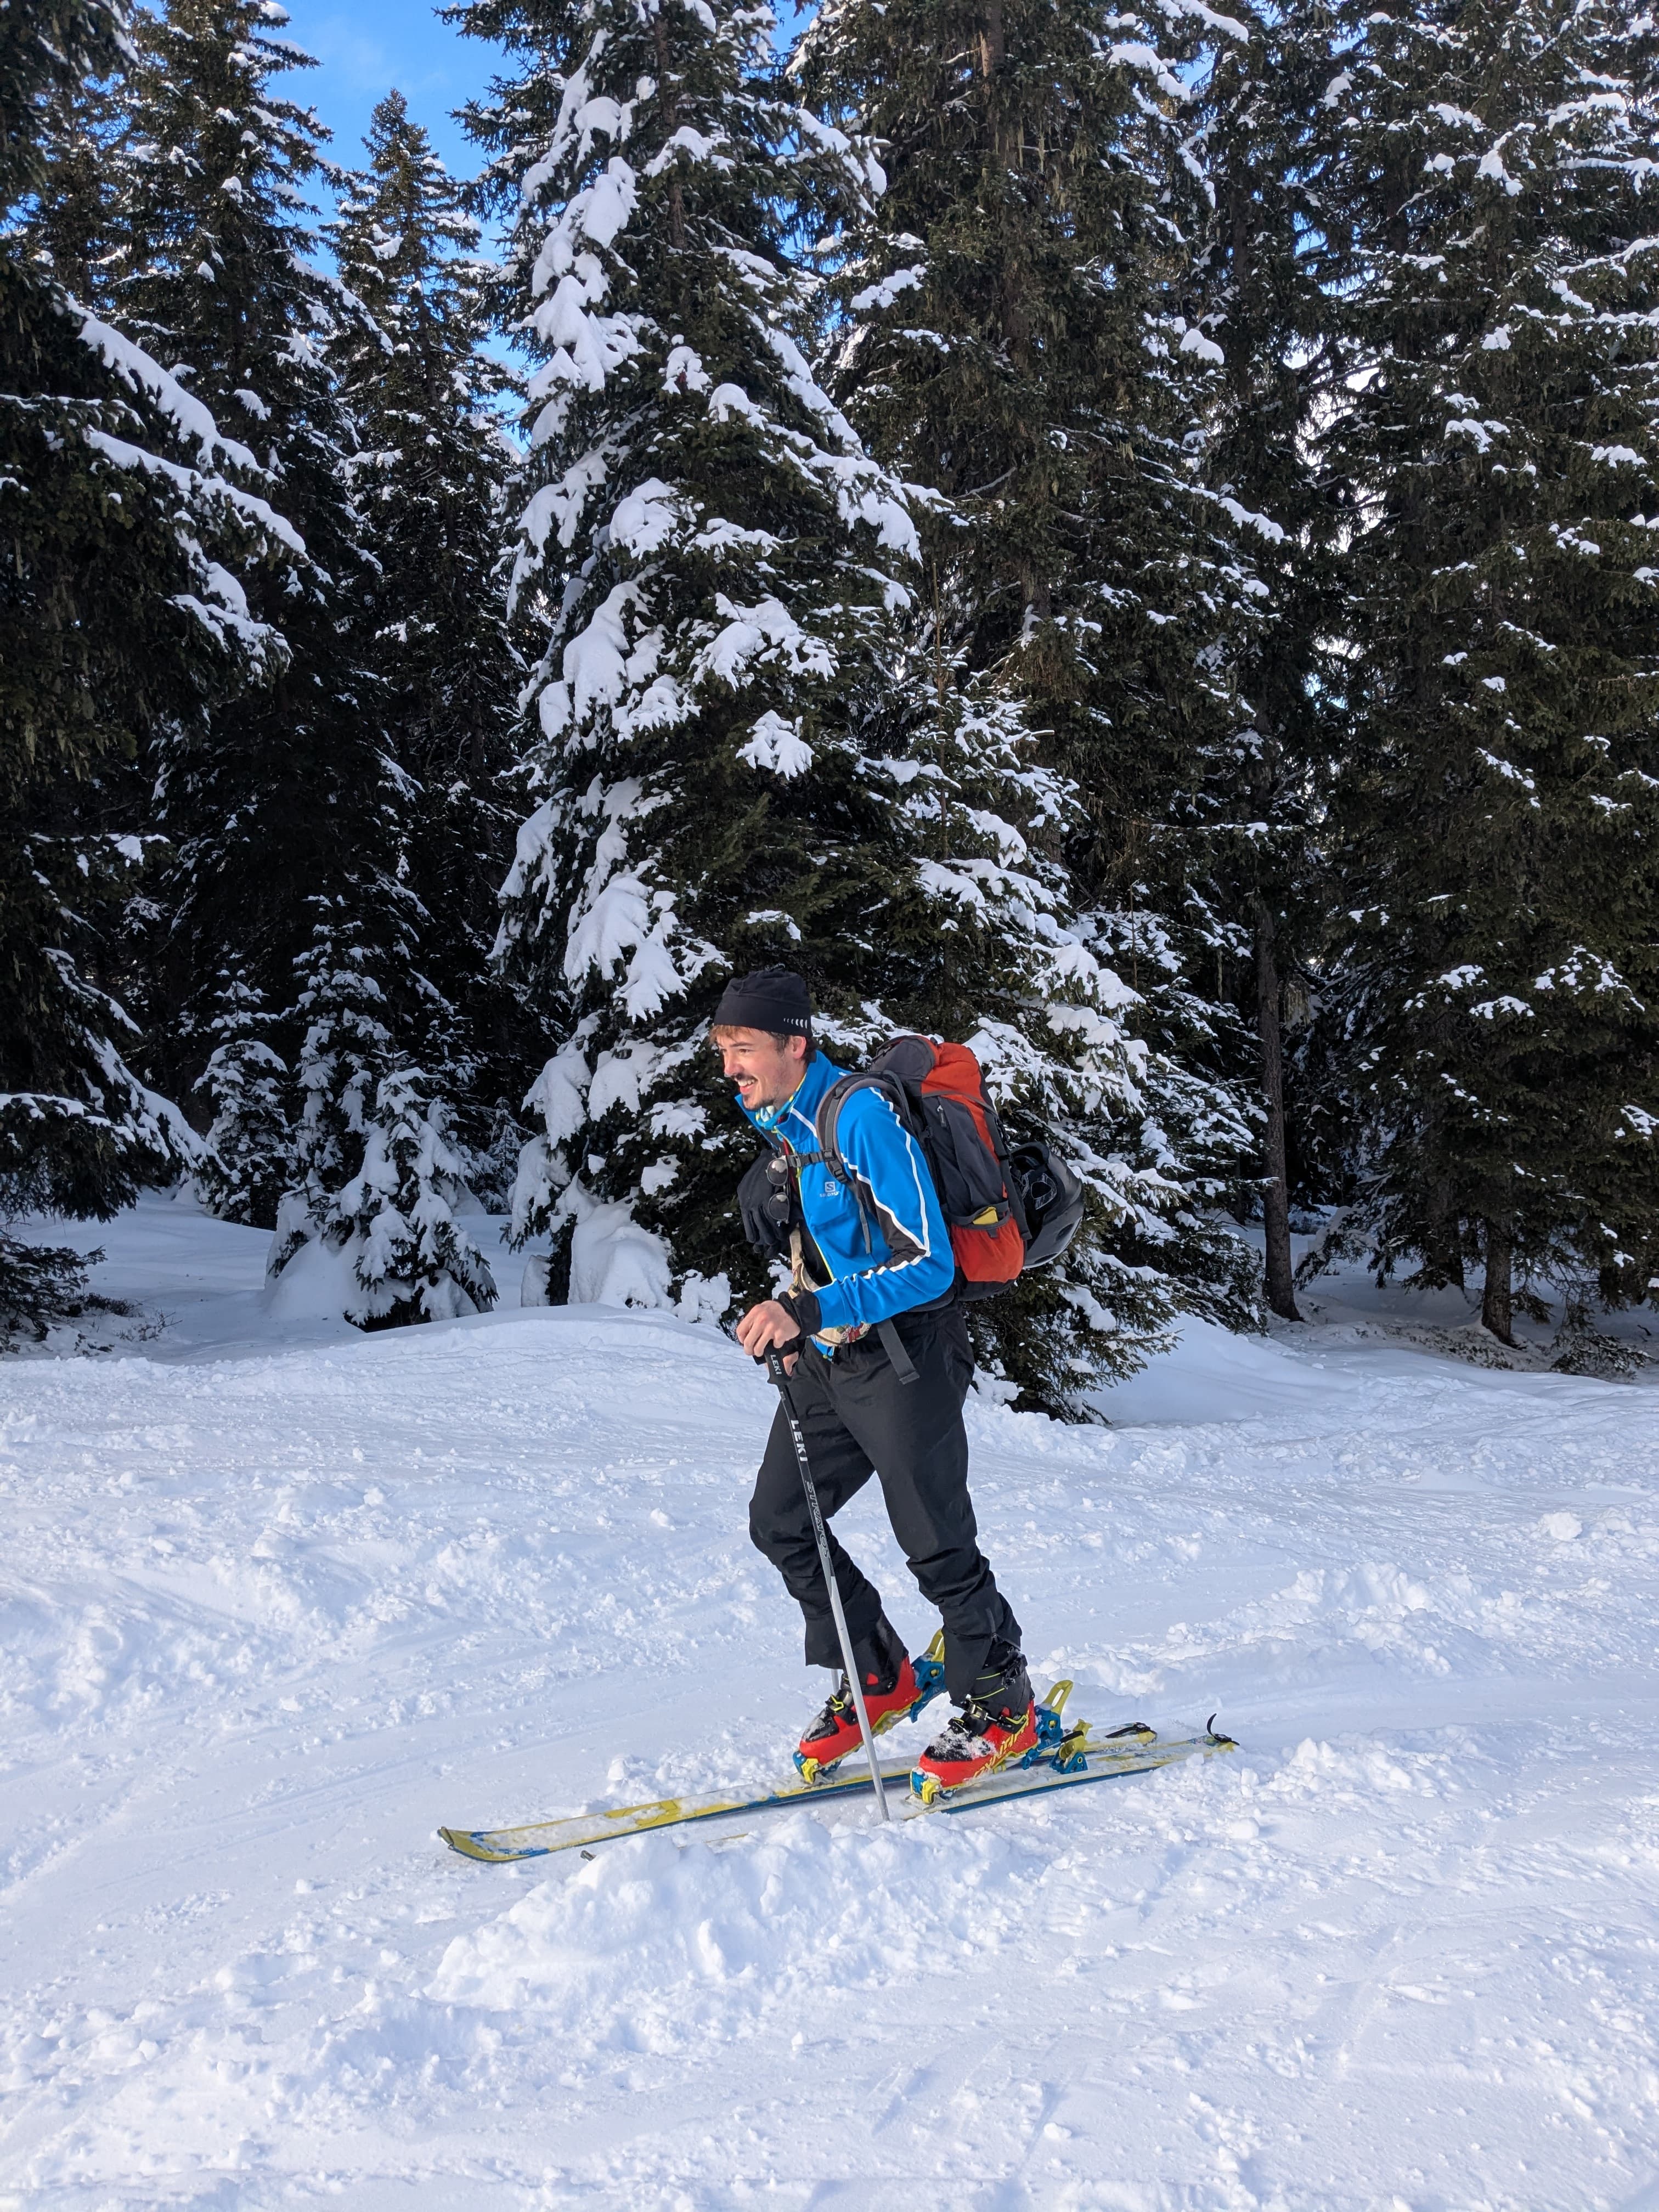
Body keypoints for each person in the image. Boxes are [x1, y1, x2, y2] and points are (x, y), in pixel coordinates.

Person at [714, 965, 1036, 1795]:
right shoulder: (786, 1123)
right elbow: (834, 1247)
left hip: (911, 1356)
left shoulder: (859, 1115)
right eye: (723, 1052)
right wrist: (798, 1318)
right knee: (781, 1520)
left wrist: (813, 1312)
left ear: (795, 1043)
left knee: (934, 1541)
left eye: (743, 1048)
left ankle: (1003, 1703)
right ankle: (878, 1672)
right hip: (835, 1359)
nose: (731, 1069)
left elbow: (927, 1265)